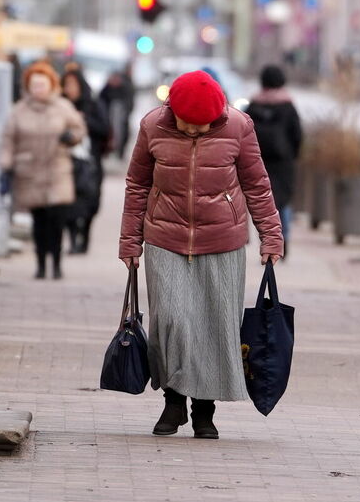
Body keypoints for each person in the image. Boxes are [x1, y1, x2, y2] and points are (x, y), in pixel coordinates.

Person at [119, 70, 284, 440]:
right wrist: (129, 241)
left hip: (222, 240)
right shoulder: (152, 126)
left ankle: (204, 412)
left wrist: (271, 235)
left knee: (215, 326)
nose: (194, 131)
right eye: (187, 124)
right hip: (165, 237)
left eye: (203, 126)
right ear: (170, 110)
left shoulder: (239, 126)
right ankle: (174, 401)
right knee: (173, 320)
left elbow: (257, 183)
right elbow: (137, 185)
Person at [0, 61, 86, 280]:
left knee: (56, 222)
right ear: (28, 87)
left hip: (57, 171)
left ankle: (56, 264)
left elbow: (78, 129)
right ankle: (40, 264)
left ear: (51, 85)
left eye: (42, 85)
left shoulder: (62, 107)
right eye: (34, 85)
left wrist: (71, 137)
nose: (38, 89)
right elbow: (8, 139)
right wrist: (6, 164)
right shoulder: (18, 111)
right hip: (29, 172)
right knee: (38, 222)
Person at [246, 65, 303, 246]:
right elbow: (297, 134)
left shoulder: (254, 105)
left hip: (257, 159)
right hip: (283, 160)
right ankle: (282, 235)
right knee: (282, 200)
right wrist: (293, 155)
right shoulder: (288, 106)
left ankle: (266, 238)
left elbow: (244, 131)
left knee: (261, 199)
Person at [62, 66, 111, 255]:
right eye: (66, 85)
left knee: (91, 202)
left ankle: (85, 235)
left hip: (91, 162)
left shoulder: (93, 105)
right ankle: (73, 239)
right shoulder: (62, 105)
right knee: (69, 202)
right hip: (67, 161)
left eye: (73, 85)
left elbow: (104, 129)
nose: (69, 89)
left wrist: (84, 121)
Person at [100, 67, 135, 160]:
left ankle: (119, 152)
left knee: (122, 134)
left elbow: (129, 102)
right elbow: (101, 100)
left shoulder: (126, 87)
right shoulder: (108, 88)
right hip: (108, 117)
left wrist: (126, 112)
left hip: (121, 117)